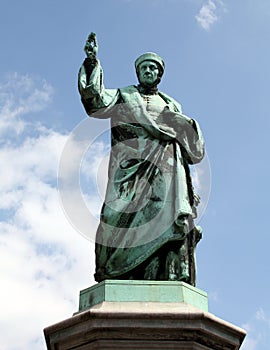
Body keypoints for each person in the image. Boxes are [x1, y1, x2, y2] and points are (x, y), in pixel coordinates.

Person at [78, 33, 205, 286]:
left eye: (153, 68)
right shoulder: (125, 96)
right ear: (138, 73)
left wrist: (186, 124)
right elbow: (96, 102)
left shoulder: (171, 104)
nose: (148, 71)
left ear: (159, 74)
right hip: (128, 169)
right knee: (114, 217)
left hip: (166, 168)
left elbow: (189, 145)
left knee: (166, 218)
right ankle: (117, 272)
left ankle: (162, 274)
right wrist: (92, 64)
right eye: (144, 68)